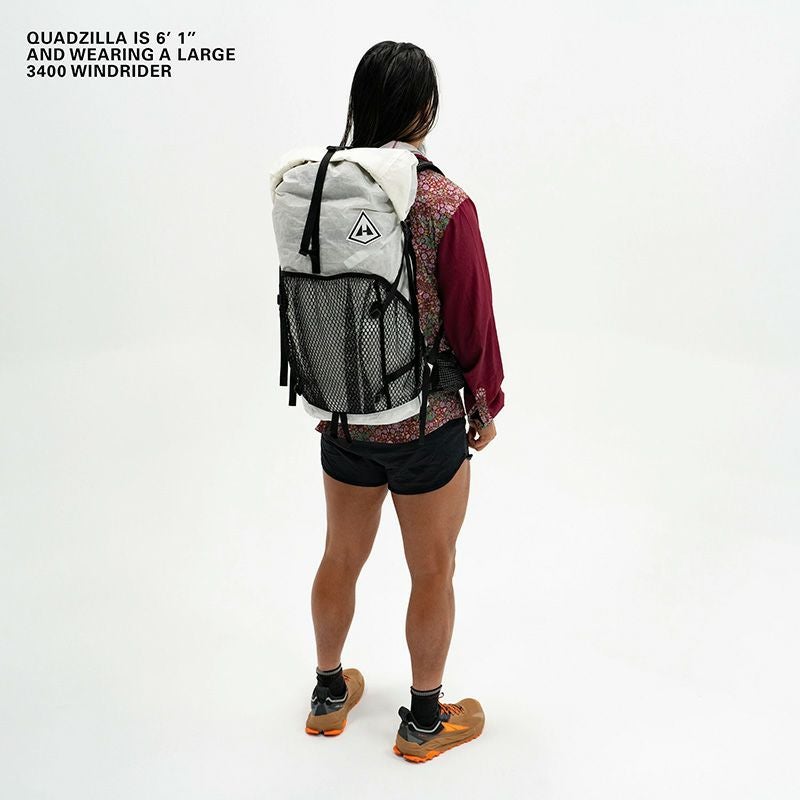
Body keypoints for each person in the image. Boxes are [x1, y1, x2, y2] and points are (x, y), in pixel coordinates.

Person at [303, 41, 505, 763]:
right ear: (425, 109)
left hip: (345, 416)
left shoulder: (320, 192)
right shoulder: (445, 203)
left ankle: (329, 695)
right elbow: (473, 319)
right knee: (432, 570)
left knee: (340, 554)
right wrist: (487, 404)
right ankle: (423, 721)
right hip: (427, 424)